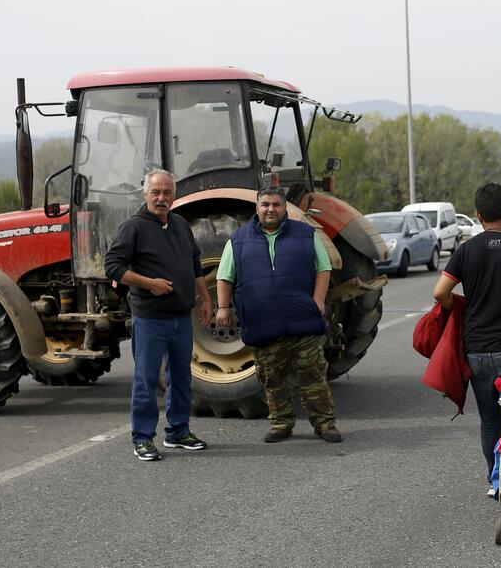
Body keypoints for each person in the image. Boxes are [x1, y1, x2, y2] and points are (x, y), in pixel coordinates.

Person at [433, 182, 501, 496]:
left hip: (478, 350)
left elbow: (440, 292)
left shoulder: (466, 250)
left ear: (478, 214)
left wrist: (457, 306)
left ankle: (495, 480)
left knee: (489, 419)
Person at [215, 187, 341, 443]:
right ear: (257, 208)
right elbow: (224, 277)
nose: (270, 209)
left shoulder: (306, 235)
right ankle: (281, 423)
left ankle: (325, 424)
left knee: (313, 375)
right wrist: (223, 307)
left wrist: (317, 301)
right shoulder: (237, 241)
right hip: (263, 323)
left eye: (275, 204)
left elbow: (323, 268)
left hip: (302, 320)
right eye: (265, 204)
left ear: (284, 208)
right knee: (272, 378)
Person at [105, 169, 213, 461]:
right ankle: (142, 438)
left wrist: (206, 299)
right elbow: (112, 266)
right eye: (156, 192)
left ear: (174, 195)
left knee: (181, 378)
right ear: (145, 194)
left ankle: (178, 432)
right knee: (146, 379)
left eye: (167, 192)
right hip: (150, 319)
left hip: (181, 316)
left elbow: (194, 264)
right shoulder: (134, 227)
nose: (162, 198)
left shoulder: (179, 224)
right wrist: (148, 284)